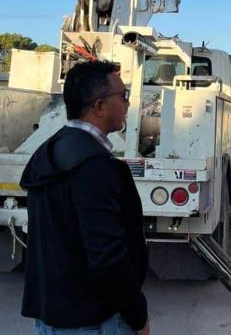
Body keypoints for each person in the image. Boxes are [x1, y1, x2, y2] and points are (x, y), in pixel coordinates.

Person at [20, 61, 150, 335]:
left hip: (52, 319)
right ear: (99, 106)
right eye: (123, 96)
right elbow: (107, 257)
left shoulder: (50, 151)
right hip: (94, 323)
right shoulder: (95, 166)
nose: (127, 104)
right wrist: (138, 317)